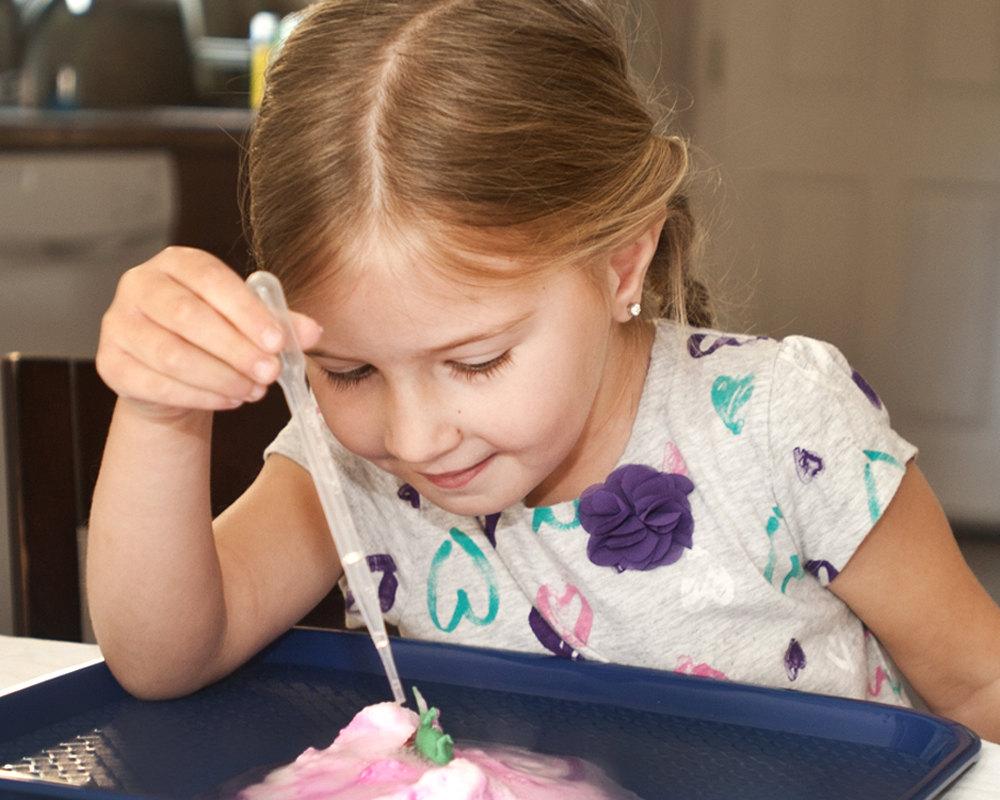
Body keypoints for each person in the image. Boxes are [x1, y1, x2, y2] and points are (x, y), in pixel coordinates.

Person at [87, 0, 1000, 741]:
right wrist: (158, 411)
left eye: (476, 361)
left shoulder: (780, 423)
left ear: (619, 265)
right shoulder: (347, 465)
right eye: (349, 370)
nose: (412, 435)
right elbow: (165, 658)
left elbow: (977, 685)